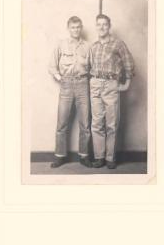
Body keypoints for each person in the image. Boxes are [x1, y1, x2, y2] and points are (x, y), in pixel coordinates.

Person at [89, 14, 135, 169]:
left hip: (110, 84)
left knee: (111, 124)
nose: (101, 27)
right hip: (95, 83)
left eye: (105, 24)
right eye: (99, 24)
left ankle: (110, 158)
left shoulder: (118, 44)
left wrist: (126, 83)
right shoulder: (94, 46)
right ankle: (99, 157)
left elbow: (128, 62)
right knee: (96, 123)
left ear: (109, 26)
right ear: (96, 26)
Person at [49, 16, 92, 168]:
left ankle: (84, 155)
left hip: (83, 84)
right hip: (66, 84)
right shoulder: (61, 44)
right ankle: (60, 156)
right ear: (69, 28)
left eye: (78, 27)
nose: (76, 30)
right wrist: (60, 78)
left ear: (81, 28)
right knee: (62, 123)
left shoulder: (88, 46)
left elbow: (92, 68)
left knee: (85, 124)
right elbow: (52, 66)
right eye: (73, 27)